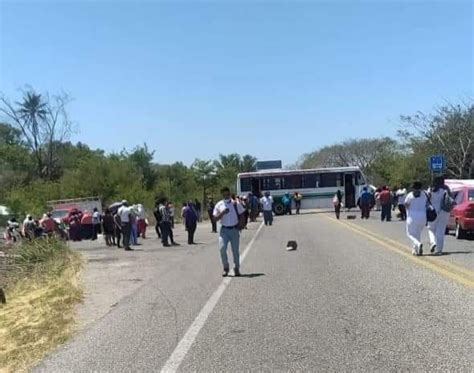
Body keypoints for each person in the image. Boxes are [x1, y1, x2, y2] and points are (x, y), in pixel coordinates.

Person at [213, 187, 245, 277]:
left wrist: (241, 225)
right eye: (224, 195)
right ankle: (225, 267)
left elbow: (242, 214)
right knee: (222, 248)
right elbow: (215, 219)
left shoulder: (236, 203)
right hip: (224, 230)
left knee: (235, 250)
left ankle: (236, 268)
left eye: (227, 194)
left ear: (229, 193)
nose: (226, 196)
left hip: (234, 229)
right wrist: (222, 213)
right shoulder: (219, 205)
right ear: (222, 195)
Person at [427, 176, 451, 256]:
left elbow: (427, 200)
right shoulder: (445, 189)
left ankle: (433, 242)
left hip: (433, 212)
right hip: (444, 212)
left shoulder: (430, 189)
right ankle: (439, 250)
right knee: (440, 231)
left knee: (431, 229)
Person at [405, 181, 428, 256]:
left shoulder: (410, 195)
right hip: (423, 216)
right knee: (417, 233)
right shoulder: (424, 194)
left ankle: (418, 244)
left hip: (412, 217)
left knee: (410, 234)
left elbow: (406, 204)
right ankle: (415, 250)